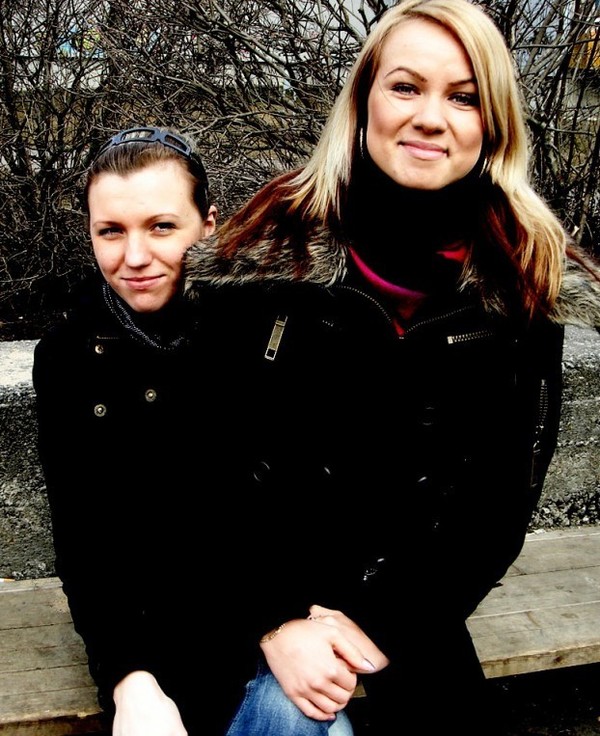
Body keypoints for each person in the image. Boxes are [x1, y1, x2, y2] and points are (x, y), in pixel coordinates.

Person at [181, 0, 600, 734]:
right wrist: (277, 622)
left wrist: (367, 624)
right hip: (254, 592)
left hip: (412, 608)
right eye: (405, 86)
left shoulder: (522, 273)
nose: (430, 118)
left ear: (493, 124)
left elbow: (497, 505)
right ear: (364, 100)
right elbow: (205, 460)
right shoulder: (274, 245)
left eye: (464, 97)